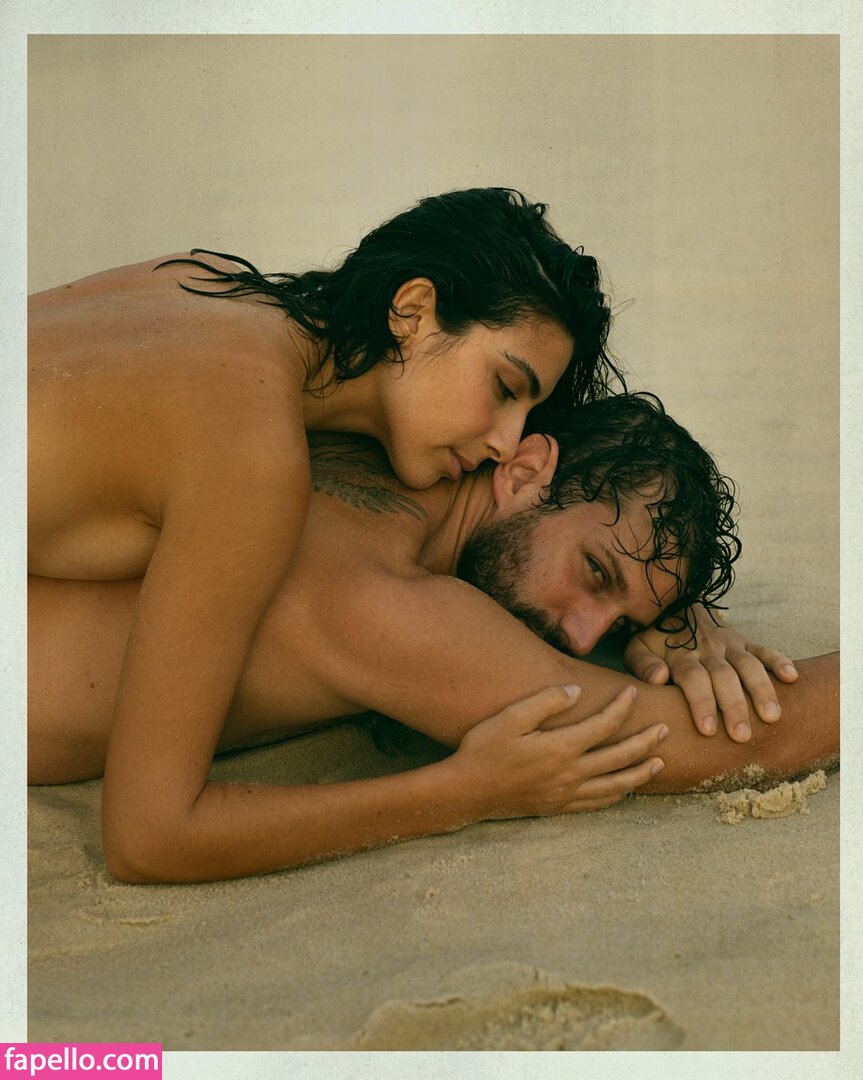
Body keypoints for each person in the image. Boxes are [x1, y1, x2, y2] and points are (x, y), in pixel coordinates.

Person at [29, 188, 620, 882]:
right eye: (503, 387)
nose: (506, 442)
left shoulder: (202, 280)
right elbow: (149, 839)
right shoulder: (247, 448)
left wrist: (675, 618)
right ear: (412, 310)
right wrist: (464, 793)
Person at [29, 394, 838, 883]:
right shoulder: (392, 606)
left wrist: (681, 620)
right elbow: (733, 741)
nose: (581, 635)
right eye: (594, 574)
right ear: (523, 471)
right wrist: (460, 795)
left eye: (618, 623)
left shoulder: (349, 445)